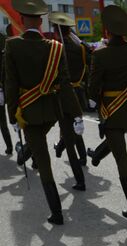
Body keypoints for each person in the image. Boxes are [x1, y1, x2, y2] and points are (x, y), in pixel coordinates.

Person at [5, 0, 83, 224]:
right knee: (42, 151)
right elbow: (65, 84)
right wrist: (76, 114)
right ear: (41, 21)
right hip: (52, 110)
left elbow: (11, 85)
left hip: (27, 112)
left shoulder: (13, 46)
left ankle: (56, 213)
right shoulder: (54, 47)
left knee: (43, 160)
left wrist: (12, 116)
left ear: (21, 20)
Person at [89, 5, 127, 218]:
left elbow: (93, 87)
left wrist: (95, 98)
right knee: (116, 141)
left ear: (107, 31)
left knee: (122, 160)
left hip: (110, 110)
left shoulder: (101, 54)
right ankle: (97, 155)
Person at [49, 12, 88, 168]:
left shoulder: (57, 48)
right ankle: (82, 156)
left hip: (63, 92)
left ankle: (62, 148)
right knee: (74, 124)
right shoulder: (80, 47)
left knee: (67, 126)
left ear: (56, 29)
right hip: (78, 90)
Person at [0, 32, 13, 155]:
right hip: (7, 87)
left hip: (3, 87)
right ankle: (9, 147)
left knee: (3, 120)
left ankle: (9, 147)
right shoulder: (5, 40)